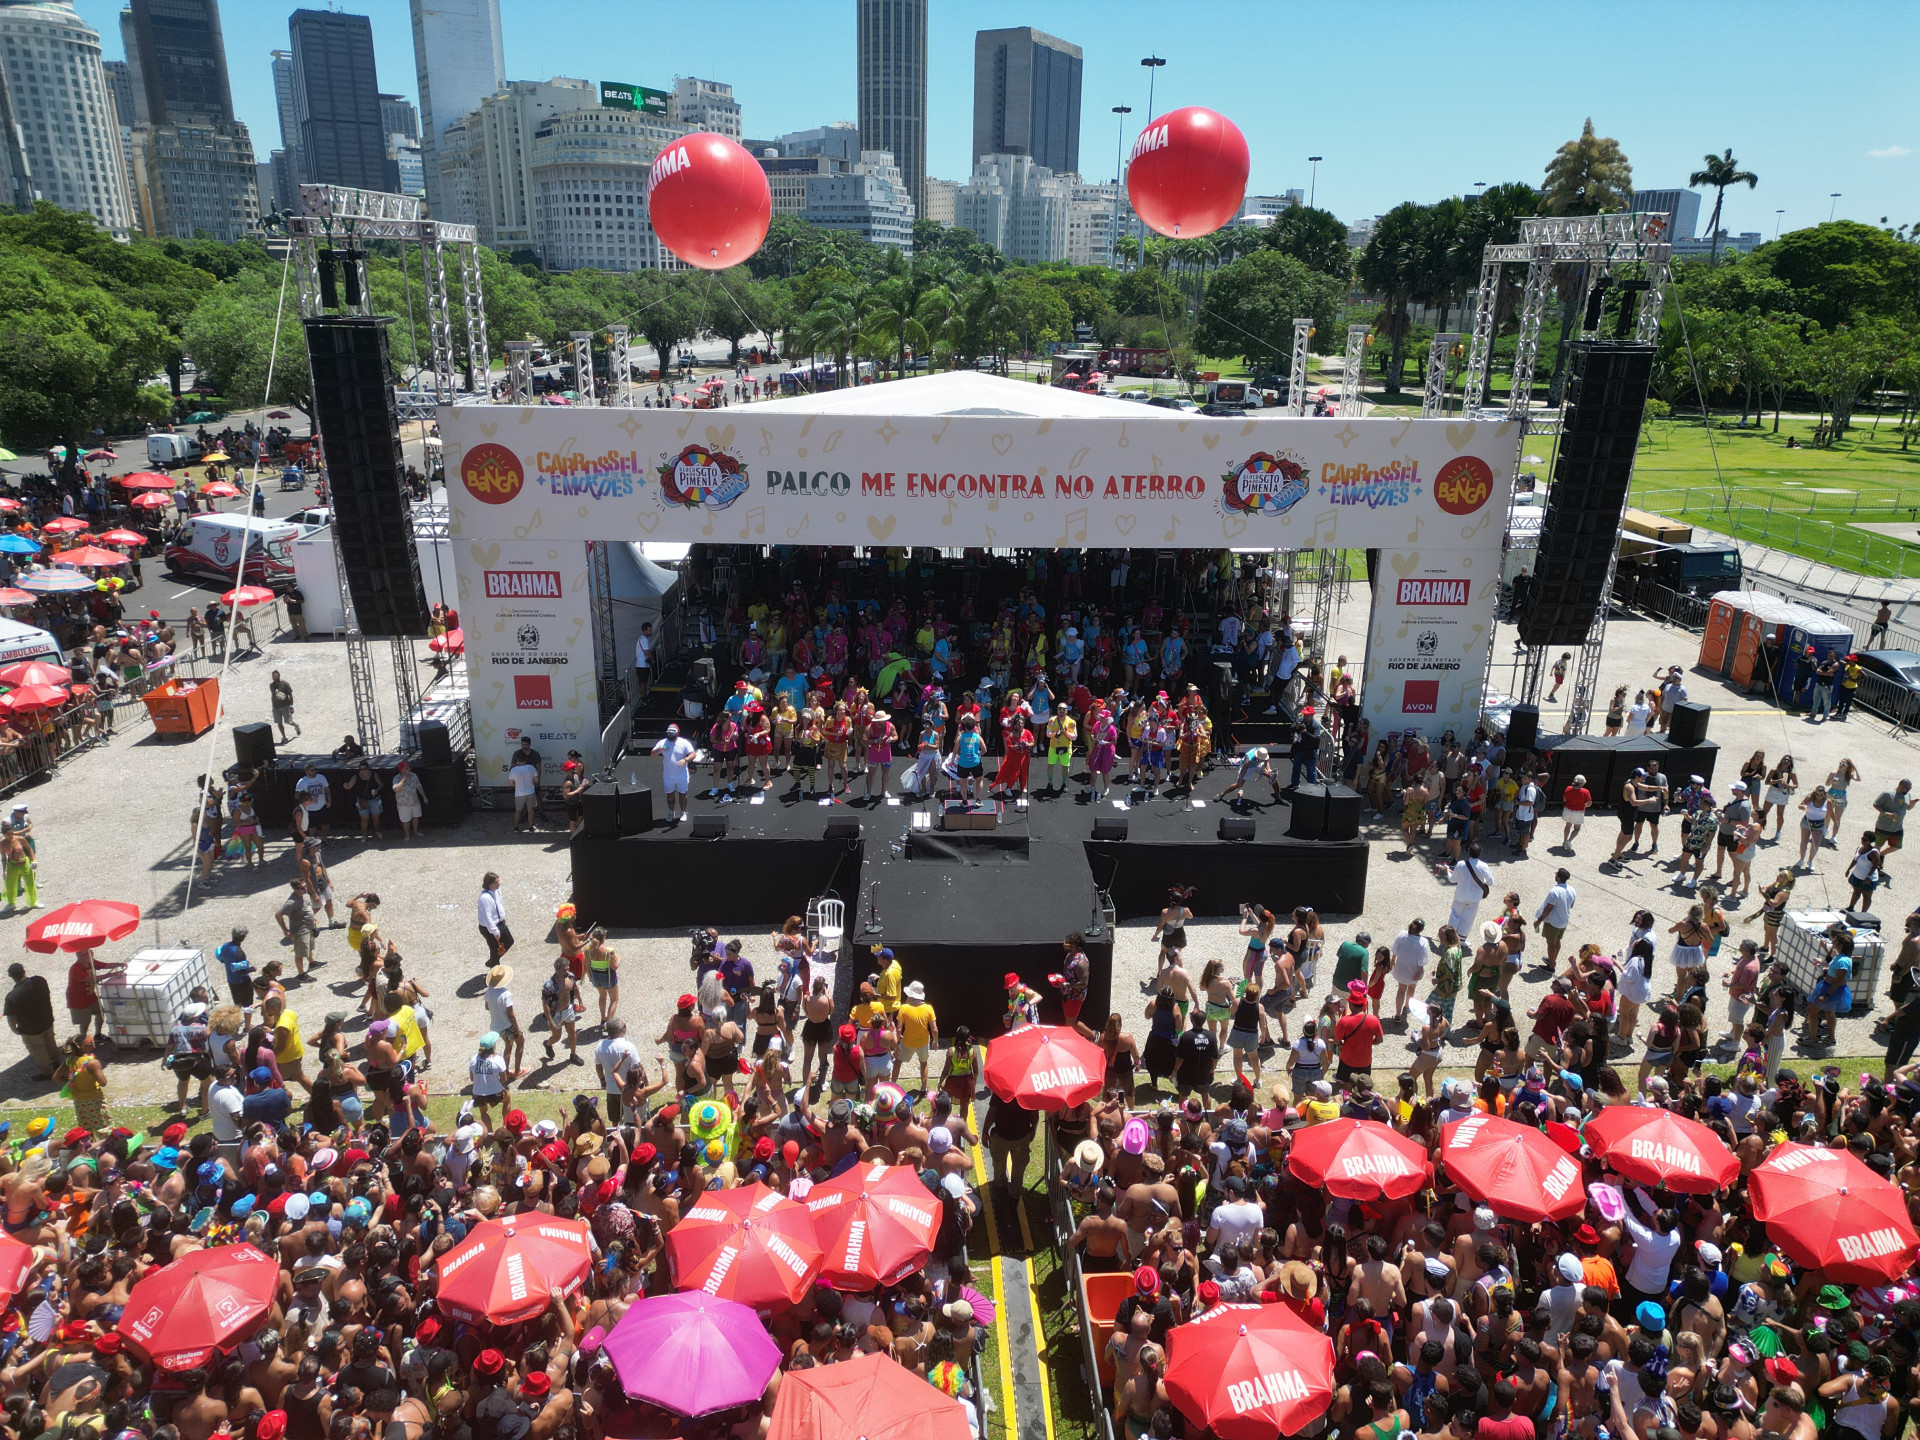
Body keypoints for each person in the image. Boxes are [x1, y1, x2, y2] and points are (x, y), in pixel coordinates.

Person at [3, 960, 58, 1080]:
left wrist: (14, 1029)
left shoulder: (12, 997)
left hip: (30, 1028)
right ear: (24, 971)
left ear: (11, 977)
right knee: (50, 1041)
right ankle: (56, 1062)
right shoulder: (40, 981)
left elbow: (11, 1017)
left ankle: (48, 1072)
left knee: (38, 1049)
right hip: (47, 1019)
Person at [651, 724, 697, 824]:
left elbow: (693, 754)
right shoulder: (662, 742)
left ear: (677, 733)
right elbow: (652, 755)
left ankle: (683, 812)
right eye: (669, 733)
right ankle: (671, 812)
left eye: (672, 733)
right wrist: (659, 749)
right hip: (668, 774)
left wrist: (685, 760)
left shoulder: (684, 742)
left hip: (681, 774)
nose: (670, 735)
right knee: (670, 794)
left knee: (682, 794)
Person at [478, 871, 512, 969]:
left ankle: (492, 960)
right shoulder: (485, 898)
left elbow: (499, 904)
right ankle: (494, 968)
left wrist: (502, 916)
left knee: (509, 941)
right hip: (489, 927)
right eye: (495, 882)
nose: (498, 884)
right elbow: (487, 917)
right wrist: (495, 932)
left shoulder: (497, 891)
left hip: (499, 922)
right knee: (494, 948)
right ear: (489, 884)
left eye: (498, 881)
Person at [391, 760, 428, 839]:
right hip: (403, 804)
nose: (409, 769)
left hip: (415, 802)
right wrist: (402, 780)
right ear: (401, 770)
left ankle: (416, 832)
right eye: (407, 768)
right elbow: (396, 789)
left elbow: (419, 786)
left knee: (416, 817)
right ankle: (407, 834)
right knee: (406, 820)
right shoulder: (396, 778)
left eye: (409, 767)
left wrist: (424, 796)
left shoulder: (414, 775)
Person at [509, 751, 541, 832]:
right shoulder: (531, 768)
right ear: (526, 758)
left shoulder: (514, 770)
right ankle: (530, 827)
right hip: (530, 792)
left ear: (517, 759)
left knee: (518, 810)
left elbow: (511, 784)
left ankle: (516, 827)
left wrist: (517, 786)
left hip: (519, 793)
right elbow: (536, 781)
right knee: (531, 810)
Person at [268, 670, 299, 743]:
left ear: (279, 676)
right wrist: (273, 707)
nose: (274, 679)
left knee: (288, 721)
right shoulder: (272, 685)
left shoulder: (285, 684)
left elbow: (290, 695)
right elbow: (272, 695)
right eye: (273, 677)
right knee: (279, 722)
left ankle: (296, 726)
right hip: (276, 707)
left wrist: (291, 706)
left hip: (285, 706)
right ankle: (284, 737)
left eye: (275, 677)